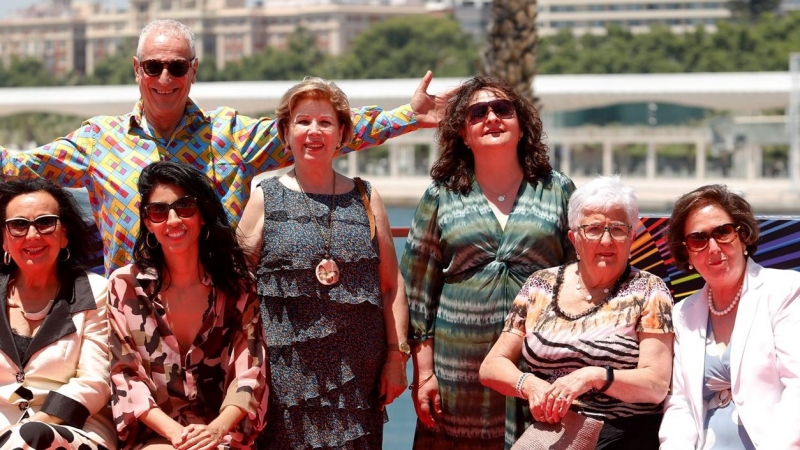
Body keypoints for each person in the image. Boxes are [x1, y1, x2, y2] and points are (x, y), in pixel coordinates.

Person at [0, 19, 447, 276]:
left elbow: (318, 133)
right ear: (137, 70)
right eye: (154, 67)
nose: (164, 79)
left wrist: (409, 116)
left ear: (193, 71)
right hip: (130, 319)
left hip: (219, 320)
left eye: (176, 67)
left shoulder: (230, 136)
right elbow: (18, 166)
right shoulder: (98, 141)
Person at [400, 75, 575, 449]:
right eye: (477, 112)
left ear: (522, 125)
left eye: (503, 109)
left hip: (539, 362)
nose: (491, 117)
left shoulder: (558, 188)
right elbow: (417, 292)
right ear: (463, 133)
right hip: (457, 368)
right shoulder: (441, 195)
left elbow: (582, 274)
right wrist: (424, 374)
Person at [238, 77, 408, 449]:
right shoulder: (264, 197)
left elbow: (391, 286)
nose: (314, 131)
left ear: (342, 133)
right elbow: (237, 290)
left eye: (325, 122)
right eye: (303, 121)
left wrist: (397, 358)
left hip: (358, 376)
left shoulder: (366, 195)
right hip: (285, 379)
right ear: (286, 132)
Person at [480, 175, 675, 450]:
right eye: (594, 229)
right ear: (574, 238)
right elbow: (491, 366)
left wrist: (593, 376)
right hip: (552, 432)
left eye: (618, 229)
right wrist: (531, 385)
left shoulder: (650, 291)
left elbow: (655, 385)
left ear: (632, 236)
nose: (606, 240)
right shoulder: (540, 285)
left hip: (623, 434)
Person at [107, 161, 268, 450]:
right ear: (147, 222)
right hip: (156, 434)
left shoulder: (238, 288)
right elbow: (125, 376)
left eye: (185, 207)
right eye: (158, 211)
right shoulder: (125, 286)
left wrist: (215, 430)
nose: (172, 221)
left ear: (202, 214)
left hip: (223, 431)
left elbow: (251, 372)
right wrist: (177, 435)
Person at [659, 185, 800, 449]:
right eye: (698, 239)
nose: (712, 247)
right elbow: (681, 404)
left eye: (722, 232)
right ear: (687, 253)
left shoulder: (785, 291)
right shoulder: (683, 314)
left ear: (743, 236)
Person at [0, 178, 115, 449]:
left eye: (45, 223)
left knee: (32, 437)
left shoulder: (95, 291)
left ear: (64, 235)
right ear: (4, 240)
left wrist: (36, 422)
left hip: (73, 428)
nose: (32, 236)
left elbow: (95, 379)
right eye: (18, 225)